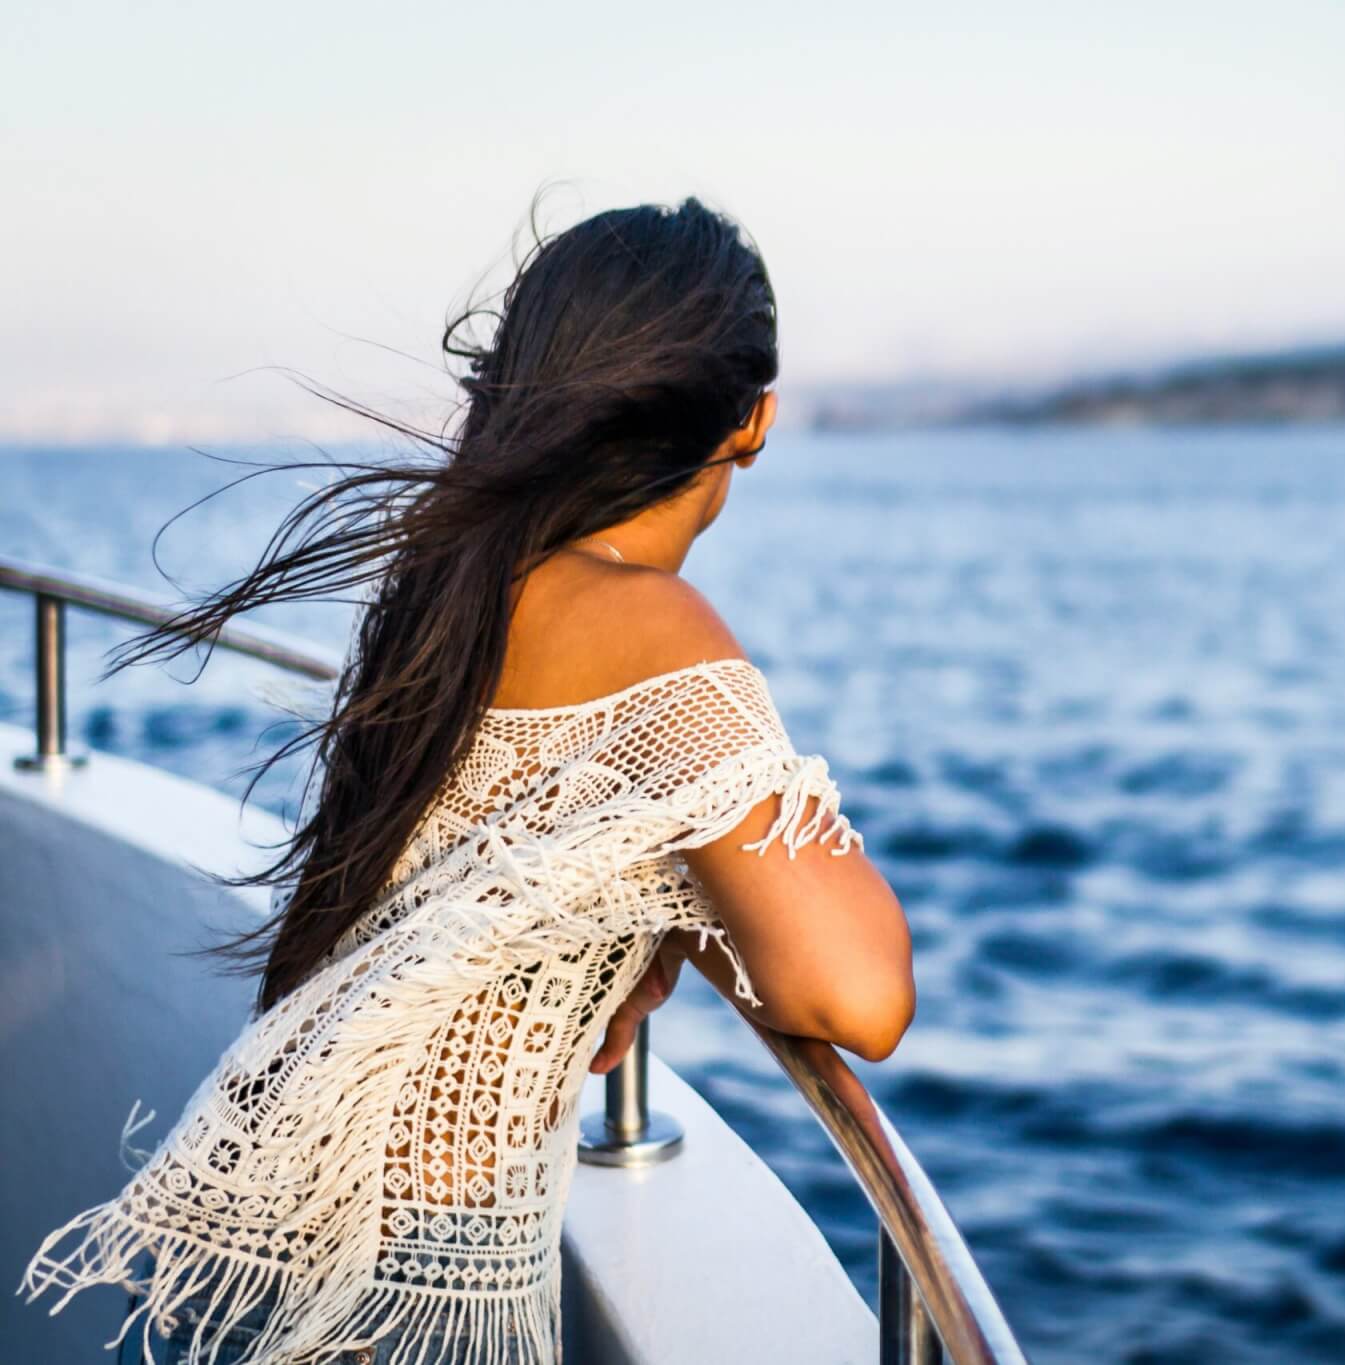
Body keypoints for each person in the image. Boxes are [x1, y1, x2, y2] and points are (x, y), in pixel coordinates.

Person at [17, 196, 916, 1363]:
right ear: (754, 423)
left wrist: (664, 895)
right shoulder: (650, 625)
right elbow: (856, 998)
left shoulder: (459, 582)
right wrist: (694, 903)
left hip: (304, 1218)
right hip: (421, 1283)